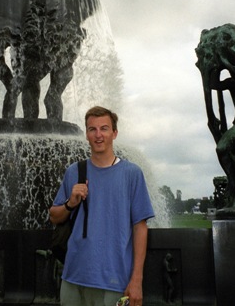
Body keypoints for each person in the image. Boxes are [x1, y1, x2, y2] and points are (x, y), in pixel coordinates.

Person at [49, 106, 155, 306]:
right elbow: (54, 216)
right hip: (73, 278)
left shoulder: (132, 174)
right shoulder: (74, 172)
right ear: (87, 135)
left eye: (104, 129)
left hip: (113, 281)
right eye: (92, 129)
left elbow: (140, 228)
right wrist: (70, 203)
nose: (98, 135)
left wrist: (137, 280)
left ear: (114, 133)